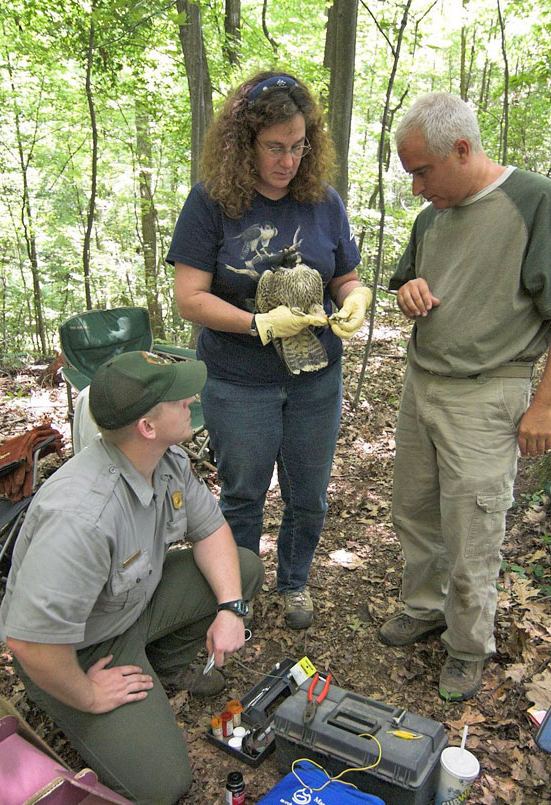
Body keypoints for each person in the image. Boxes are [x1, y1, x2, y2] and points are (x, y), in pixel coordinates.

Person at [0, 350, 264, 804]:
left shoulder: (164, 459)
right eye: (179, 398)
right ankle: (84, 699)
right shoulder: (81, 517)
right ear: (147, 426)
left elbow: (212, 529)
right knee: (161, 785)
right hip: (75, 651)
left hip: (133, 606)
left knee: (241, 569)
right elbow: (31, 643)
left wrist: (230, 609)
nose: (191, 400)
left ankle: (160, 665)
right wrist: (87, 695)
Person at [167, 71, 371, 630]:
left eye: (299, 146)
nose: (288, 160)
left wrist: (355, 297)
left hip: (316, 377)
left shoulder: (323, 201)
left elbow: (345, 275)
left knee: (308, 495)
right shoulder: (211, 202)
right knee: (244, 494)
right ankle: (239, 590)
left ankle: (295, 580)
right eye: (275, 147)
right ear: (246, 143)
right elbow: (190, 299)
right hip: (238, 380)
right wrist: (257, 322)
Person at [379, 92, 551, 702]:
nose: (419, 189)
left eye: (423, 172)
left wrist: (545, 404)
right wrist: (410, 291)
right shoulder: (431, 217)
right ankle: (424, 606)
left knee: (473, 529)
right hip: (422, 381)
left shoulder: (534, 201)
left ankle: (467, 645)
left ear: (461, 148)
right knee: (416, 510)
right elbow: (408, 283)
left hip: (489, 391)